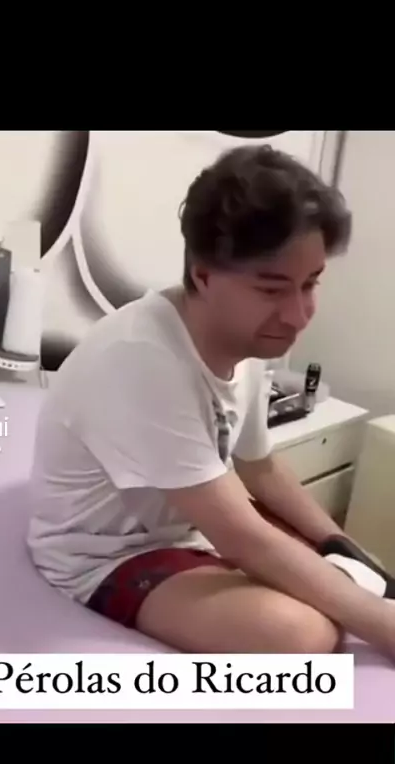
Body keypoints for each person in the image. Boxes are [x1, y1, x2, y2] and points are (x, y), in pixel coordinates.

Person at [27, 144, 395, 658]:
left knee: (350, 584)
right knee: (301, 634)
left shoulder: (247, 340)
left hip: (189, 527)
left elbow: (260, 467)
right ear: (203, 275)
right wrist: (385, 625)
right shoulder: (142, 360)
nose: (298, 315)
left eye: (310, 284)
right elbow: (240, 536)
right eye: (272, 290)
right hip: (107, 556)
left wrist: (345, 548)